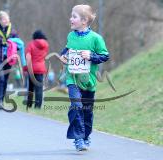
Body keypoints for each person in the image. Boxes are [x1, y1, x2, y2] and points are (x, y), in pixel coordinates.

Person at [60, 4, 109, 151]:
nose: (71, 18)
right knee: (76, 105)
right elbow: (67, 49)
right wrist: (63, 55)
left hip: (89, 81)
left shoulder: (96, 38)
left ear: (84, 21)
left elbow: (105, 56)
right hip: (72, 78)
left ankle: (85, 136)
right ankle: (78, 138)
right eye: (71, 15)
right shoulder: (71, 35)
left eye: (74, 16)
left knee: (87, 111)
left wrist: (91, 56)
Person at [25, 30, 49, 109]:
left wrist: (25, 67)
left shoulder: (30, 44)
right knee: (39, 88)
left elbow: (28, 56)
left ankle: (29, 104)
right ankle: (38, 106)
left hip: (31, 68)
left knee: (31, 88)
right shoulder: (46, 45)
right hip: (41, 68)